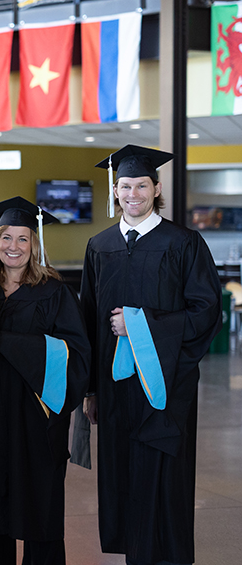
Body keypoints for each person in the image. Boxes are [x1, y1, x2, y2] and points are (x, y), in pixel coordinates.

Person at [80, 145, 222, 565]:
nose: (133, 193)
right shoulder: (99, 245)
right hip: (114, 387)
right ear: (116, 190)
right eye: (125, 186)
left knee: (163, 475)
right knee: (122, 473)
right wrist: (90, 390)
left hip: (165, 386)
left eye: (141, 185)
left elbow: (206, 311)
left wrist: (142, 325)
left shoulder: (184, 243)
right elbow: (88, 320)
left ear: (156, 187)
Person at [0, 197, 91, 565]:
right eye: (6, 238)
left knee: (40, 503)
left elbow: (75, 352)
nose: (14, 246)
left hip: (37, 416)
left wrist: (8, 343)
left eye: (23, 238)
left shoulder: (55, 292)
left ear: (35, 243)